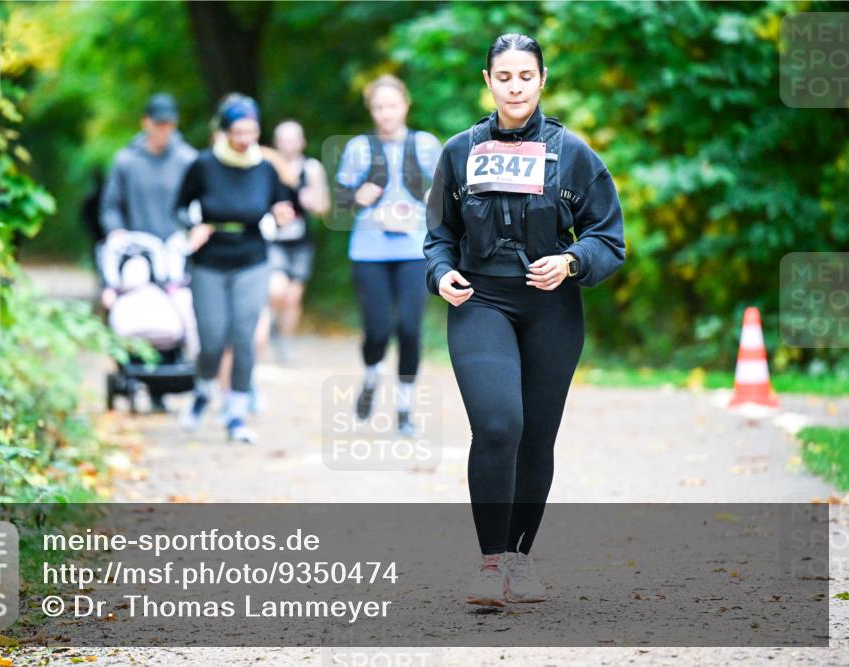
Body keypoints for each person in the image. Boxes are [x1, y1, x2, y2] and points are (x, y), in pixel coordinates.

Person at [425, 33, 625, 608]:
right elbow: (438, 237)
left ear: (542, 80)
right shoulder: (458, 151)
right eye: (504, 76)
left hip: (551, 309)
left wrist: (570, 260)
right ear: (487, 82)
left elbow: (608, 239)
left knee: (537, 437)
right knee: (496, 426)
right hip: (479, 303)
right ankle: (489, 565)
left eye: (525, 76)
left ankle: (519, 558)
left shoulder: (574, 153)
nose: (515, 86)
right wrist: (440, 273)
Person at [175, 93, 296, 444]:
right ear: (225, 131)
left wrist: (281, 213)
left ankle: (236, 414)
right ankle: (203, 390)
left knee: (245, 337)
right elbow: (180, 207)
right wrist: (192, 226)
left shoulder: (265, 168)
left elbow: (279, 204)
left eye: (252, 132)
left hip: (252, 257)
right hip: (209, 259)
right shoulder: (204, 165)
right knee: (212, 339)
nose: (245, 139)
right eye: (238, 132)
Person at [334, 75, 442, 436]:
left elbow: (451, 189)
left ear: (405, 106)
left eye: (392, 105)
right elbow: (339, 198)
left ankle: (404, 406)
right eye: (379, 107)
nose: (386, 114)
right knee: (377, 331)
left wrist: (435, 200)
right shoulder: (358, 148)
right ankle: (371, 376)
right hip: (369, 250)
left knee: (409, 329)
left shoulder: (425, 144)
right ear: (371, 110)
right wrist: (355, 198)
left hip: (414, 248)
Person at [99, 92, 199, 412]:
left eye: (169, 125)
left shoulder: (186, 160)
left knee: (178, 313)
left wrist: (191, 230)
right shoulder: (126, 161)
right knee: (139, 315)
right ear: (146, 124)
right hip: (137, 255)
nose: (164, 131)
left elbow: (197, 203)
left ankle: (171, 379)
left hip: (175, 254)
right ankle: (137, 374)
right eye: (158, 125)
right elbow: (110, 206)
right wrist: (117, 233)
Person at [267, 119, 331, 363]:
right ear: (276, 143)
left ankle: (285, 343)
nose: (289, 144)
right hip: (274, 240)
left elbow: (324, 207)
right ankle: (269, 324)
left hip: (300, 241)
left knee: (293, 297)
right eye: (283, 139)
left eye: (293, 138)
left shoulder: (311, 168)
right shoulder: (268, 167)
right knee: (276, 289)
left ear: (302, 142)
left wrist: (310, 201)